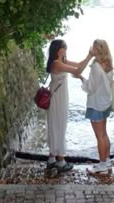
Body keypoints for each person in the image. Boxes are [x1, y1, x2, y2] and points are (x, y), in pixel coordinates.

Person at [45, 39, 93, 172]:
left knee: (56, 125)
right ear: (60, 50)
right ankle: (60, 161)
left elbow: (78, 65)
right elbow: (78, 70)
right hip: (57, 98)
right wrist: (90, 56)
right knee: (59, 125)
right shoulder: (56, 64)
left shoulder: (61, 62)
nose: (67, 51)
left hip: (59, 96)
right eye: (66, 48)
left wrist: (88, 56)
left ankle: (52, 159)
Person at [76, 39, 114, 175]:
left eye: (93, 47)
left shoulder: (96, 67)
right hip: (105, 102)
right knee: (104, 134)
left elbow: (91, 88)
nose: (91, 48)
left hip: (96, 103)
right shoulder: (108, 63)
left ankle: (102, 165)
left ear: (96, 49)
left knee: (99, 136)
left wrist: (81, 78)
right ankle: (107, 161)